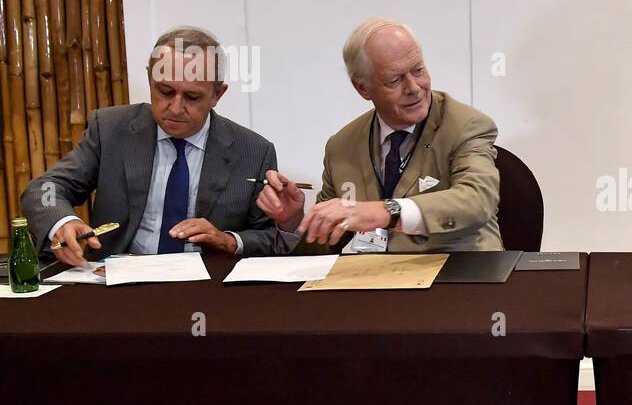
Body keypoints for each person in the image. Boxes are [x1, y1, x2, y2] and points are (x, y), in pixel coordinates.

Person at [21, 26, 285, 267]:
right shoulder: (112, 129)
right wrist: (63, 221)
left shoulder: (252, 150)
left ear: (218, 94)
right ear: (149, 80)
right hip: (118, 280)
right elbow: (44, 188)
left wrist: (227, 240)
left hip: (208, 286)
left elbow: (272, 238)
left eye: (192, 97)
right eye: (165, 92)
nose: (176, 107)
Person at [258, 18, 501, 252]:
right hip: (371, 285)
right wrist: (292, 221)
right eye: (395, 80)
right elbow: (328, 248)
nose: (414, 88)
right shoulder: (341, 147)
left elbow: (477, 200)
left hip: (457, 279)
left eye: (418, 70)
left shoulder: (466, 125)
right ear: (362, 88)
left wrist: (386, 211)